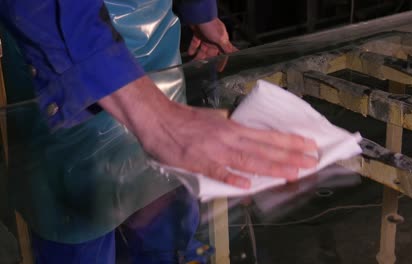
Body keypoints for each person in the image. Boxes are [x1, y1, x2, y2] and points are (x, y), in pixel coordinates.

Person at [0, 0, 318, 263]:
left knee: (162, 230)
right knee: (79, 226)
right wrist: (157, 120)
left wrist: (201, 14)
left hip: (155, 58)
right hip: (64, 69)